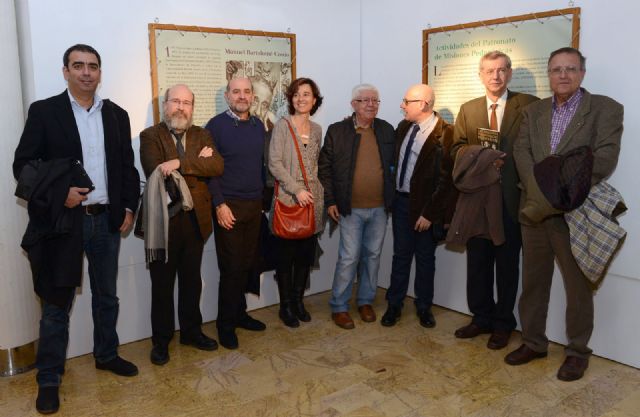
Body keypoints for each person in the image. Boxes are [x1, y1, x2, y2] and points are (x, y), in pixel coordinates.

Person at [12, 44, 140, 414]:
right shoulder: (44, 112)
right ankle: (49, 378)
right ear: (65, 71)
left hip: (106, 220)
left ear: (100, 73)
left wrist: (128, 207)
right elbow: (22, 166)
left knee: (107, 297)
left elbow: (127, 169)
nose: (86, 72)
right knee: (56, 304)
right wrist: (59, 193)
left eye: (93, 66)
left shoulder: (117, 115)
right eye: (78, 65)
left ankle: (106, 355)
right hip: (63, 222)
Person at [506, 47, 624, 381]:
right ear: (549, 73)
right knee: (533, 283)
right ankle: (533, 342)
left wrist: (560, 189)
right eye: (557, 69)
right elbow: (521, 151)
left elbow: (604, 158)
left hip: (576, 211)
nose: (563, 75)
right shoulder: (534, 111)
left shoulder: (605, 109)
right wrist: (542, 192)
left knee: (578, 287)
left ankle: (577, 352)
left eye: (570, 69)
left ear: (582, 73)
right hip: (533, 211)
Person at [451, 51, 538, 349]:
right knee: (477, 263)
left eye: (501, 70)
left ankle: (503, 324)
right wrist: (482, 158)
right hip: (478, 200)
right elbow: (456, 150)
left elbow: (539, 148)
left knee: (507, 265)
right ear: (480, 75)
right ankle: (480, 318)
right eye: (489, 71)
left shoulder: (527, 105)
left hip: (512, 201)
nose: (495, 76)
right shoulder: (469, 109)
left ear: (510, 74)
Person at [139, 84, 224, 365]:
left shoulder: (202, 134)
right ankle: (161, 341)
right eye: (175, 101)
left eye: (187, 102)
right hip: (163, 222)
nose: (181, 107)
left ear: (192, 108)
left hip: (195, 221)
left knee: (191, 282)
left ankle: (191, 332)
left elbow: (217, 167)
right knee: (161, 286)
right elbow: (155, 168)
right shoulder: (150, 135)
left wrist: (178, 162)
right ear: (165, 105)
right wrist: (194, 162)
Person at [318, 84, 395, 329]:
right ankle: (339, 306)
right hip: (350, 208)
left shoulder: (386, 130)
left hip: (380, 208)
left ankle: (365, 301)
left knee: (372, 256)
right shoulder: (337, 131)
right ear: (354, 104)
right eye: (365, 100)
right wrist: (330, 200)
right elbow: (325, 169)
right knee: (349, 257)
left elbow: (393, 166)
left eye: (375, 100)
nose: (371, 104)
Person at [380, 84, 455, 328]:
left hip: (426, 210)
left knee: (425, 260)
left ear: (422, 104)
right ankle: (394, 305)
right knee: (400, 257)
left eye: (406, 101)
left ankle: (424, 308)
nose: (402, 106)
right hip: (401, 204)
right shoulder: (403, 127)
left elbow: (446, 181)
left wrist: (429, 214)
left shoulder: (446, 134)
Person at [205, 77, 267, 349]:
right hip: (228, 206)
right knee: (230, 268)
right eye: (236, 92)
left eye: (246, 92)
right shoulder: (215, 126)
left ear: (252, 96)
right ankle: (225, 325)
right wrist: (219, 204)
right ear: (228, 96)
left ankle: (239, 314)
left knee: (247, 263)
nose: (241, 96)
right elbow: (209, 171)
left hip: (254, 206)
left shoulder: (258, 125)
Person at [268, 77, 325, 328]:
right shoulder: (282, 126)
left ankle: (299, 302)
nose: (301, 99)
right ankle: (285, 307)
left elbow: (314, 166)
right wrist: (297, 190)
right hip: (289, 199)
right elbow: (275, 163)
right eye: (296, 95)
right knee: (284, 259)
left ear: (314, 100)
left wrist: (312, 193)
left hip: (313, 201)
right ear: (291, 99)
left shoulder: (317, 130)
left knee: (305, 257)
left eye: (306, 94)